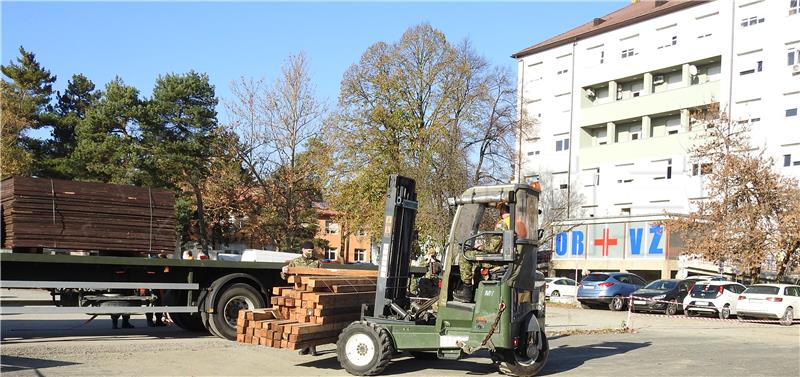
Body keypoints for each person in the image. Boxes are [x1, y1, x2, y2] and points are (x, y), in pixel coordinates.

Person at [454, 202, 512, 303]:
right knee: (477, 265)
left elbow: (493, 248)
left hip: (499, 258)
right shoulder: (516, 222)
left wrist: (481, 247)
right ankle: (476, 293)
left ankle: (466, 291)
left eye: (500, 209)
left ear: (503, 209)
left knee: (465, 256)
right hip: (507, 257)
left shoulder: (502, 223)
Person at [281, 240, 321, 356]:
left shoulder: (317, 262)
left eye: (312, 251)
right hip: (300, 296)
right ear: (303, 250)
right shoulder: (295, 262)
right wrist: (284, 271)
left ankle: (312, 347)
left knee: (313, 320)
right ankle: (304, 346)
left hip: (313, 295)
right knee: (302, 320)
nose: (310, 252)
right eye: (308, 250)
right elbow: (285, 276)